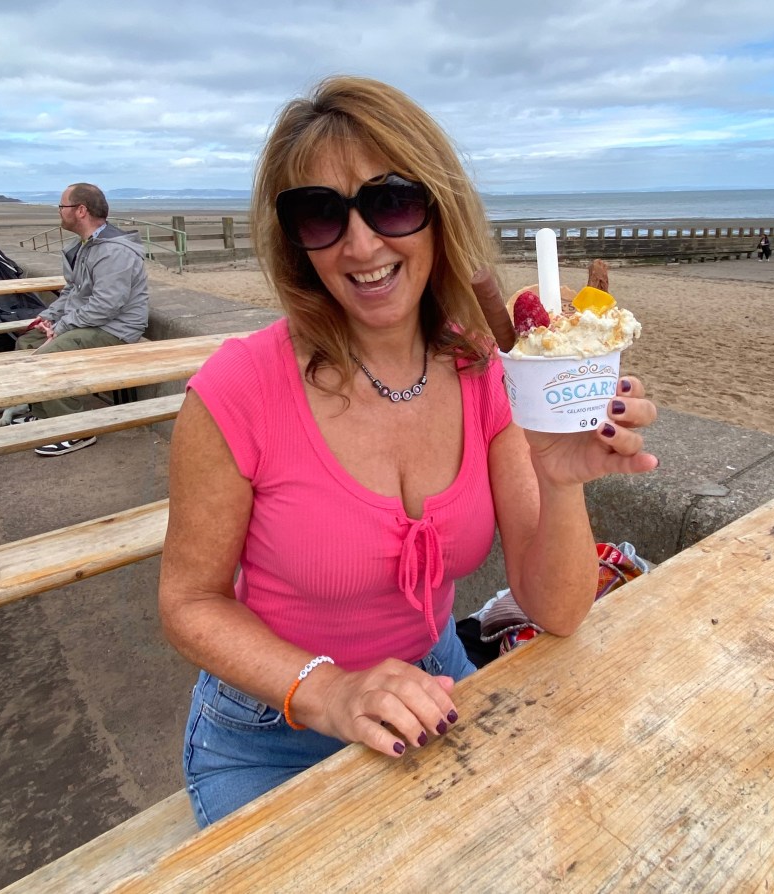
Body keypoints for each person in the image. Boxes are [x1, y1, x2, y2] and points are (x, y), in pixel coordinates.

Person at [158, 75, 659, 829]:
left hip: (434, 687)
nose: (361, 244)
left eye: (390, 201)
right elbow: (188, 602)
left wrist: (561, 482)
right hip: (272, 727)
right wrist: (330, 692)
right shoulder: (237, 389)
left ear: (439, 210)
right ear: (295, 239)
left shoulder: (485, 371)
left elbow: (557, 609)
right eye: (319, 213)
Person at [13, 182, 149, 456]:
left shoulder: (114, 251)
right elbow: (73, 292)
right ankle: (45, 416)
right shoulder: (85, 246)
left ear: (81, 211)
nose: (59, 212)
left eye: (62, 206)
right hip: (92, 322)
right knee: (27, 342)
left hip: (116, 329)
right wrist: (48, 317)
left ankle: (76, 431)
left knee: (53, 354)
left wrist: (61, 328)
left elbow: (105, 306)